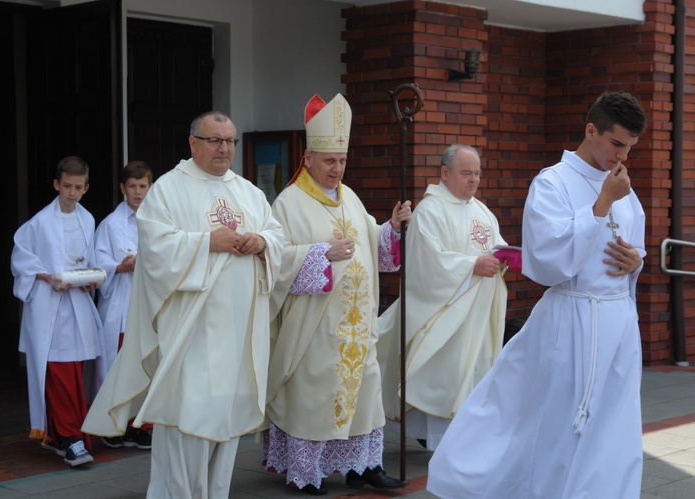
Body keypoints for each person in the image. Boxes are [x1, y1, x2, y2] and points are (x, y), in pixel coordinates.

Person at [427, 91, 648, 499]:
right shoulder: (553, 182)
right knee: (554, 424)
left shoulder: (623, 188)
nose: (622, 156)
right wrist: (600, 205)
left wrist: (636, 261)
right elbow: (547, 261)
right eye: (616, 143)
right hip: (571, 319)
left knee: (614, 428)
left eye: (630, 147)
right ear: (591, 130)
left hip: (617, 323)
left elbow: (632, 248)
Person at [82, 111, 284, 498]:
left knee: (223, 423)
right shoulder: (169, 189)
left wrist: (262, 242)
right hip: (191, 334)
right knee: (187, 418)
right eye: (215, 140)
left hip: (238, 334)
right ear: (193, 143)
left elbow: (276, 236)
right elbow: (154, 248)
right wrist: (207, 241)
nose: (224, 148)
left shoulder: (249, 191)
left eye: (230, 141)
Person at [262, 93, 411, 495]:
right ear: (308, 159)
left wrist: (391, 230)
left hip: (357, 325)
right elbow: (274, 264)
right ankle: (306, 473)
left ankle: (362, 466)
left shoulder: (352, 197)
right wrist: (319, 254)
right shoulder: (287, 204)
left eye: (342, 160)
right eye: (330, 161)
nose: (337, 168)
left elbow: (372, 247)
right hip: (315, 326)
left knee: (364, 395)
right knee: (315, 396)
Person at [377, 144, 513, 452]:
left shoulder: (480, 210)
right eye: (466, 173)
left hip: (477, 315)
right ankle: (441, 443)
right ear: (444, 173)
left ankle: (465, 439)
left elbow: (495, 244)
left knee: (472, 373)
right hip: (445, 313)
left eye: (477, 174)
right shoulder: (430, 210)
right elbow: (428, 262)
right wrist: (472, 266)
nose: (474, 181)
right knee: (445, 375)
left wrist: (503, 257)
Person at [10, 155, 105, 467]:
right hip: (50, 307)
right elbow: (21, 261)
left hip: (77, 305)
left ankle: (59, 434)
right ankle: (71, 438)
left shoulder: (88, 219)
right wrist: (45, 275)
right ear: (56, 184)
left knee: (76, 372)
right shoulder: (38, 223)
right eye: (67, 186)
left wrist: (90, 280)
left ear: (86, 187)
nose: (72, 193)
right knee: (58, 373)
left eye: (78, 187)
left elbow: (88, 260)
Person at [91, 160, 153, 450]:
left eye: (143, 186)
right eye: (132, 186)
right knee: (117, 365)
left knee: (145, 365)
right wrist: (119, 266)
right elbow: (97, 262)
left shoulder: (158, 221)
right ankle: (111, 425)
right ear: (122, 188)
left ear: (150, 187)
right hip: (121, 303)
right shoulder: (110, 225)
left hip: (148, 304)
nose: (138, 192)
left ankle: (138, 425)